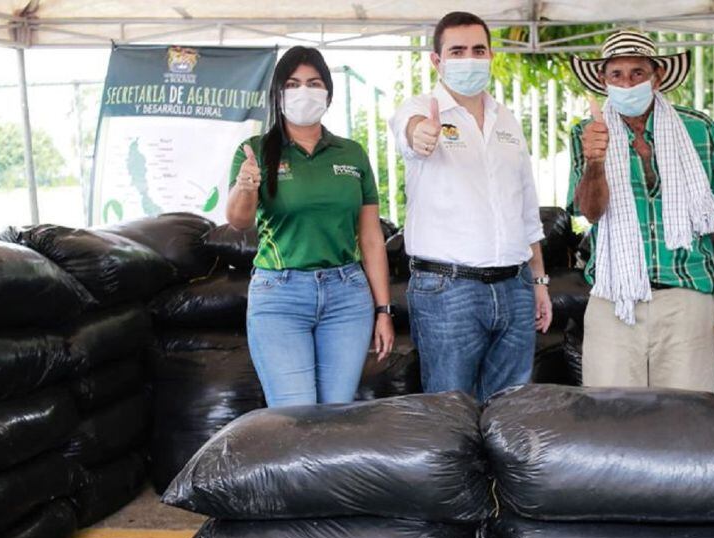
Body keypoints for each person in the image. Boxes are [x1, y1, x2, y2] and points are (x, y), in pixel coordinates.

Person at [388, 11, 551, 403]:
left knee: (509, 415)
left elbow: (527, 210)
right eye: (457, 51)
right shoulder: (421, 108)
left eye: (478, 50)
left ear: (492, 56)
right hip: (449, 290)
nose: (469, 59)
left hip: (515, 287)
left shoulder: (507, 120)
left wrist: (540, 283)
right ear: (436, 61)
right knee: (451, 415)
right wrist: (421, 134)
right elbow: (408, 130)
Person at [227, 46, 394, 407]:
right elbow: (238, 221)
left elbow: (370, 238)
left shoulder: (351, 153)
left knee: (335, 413)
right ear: (278, 93)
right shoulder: (254, 150)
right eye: (293, 83)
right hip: (280, 294)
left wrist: (384, 310)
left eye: (314, 83)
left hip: (347, 295)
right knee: (295, 415)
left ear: (328, 93)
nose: (304, 91)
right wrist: (245, 186)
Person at [568, 31, 714, 391]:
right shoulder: (588, 132)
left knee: (684, 422)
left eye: (637, 73)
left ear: (656, 76)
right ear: (603, 80)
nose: (627, 83)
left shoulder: (698, 128)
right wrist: (595, 162)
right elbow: (590, 213)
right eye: (616, 74)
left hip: (687, 295)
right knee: (611, 422)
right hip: (614, 298)